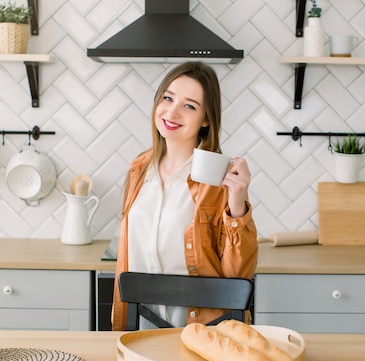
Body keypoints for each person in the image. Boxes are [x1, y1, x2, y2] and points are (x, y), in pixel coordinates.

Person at [111, 61, 258, 331]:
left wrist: (237, 204)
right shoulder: (139, 168)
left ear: (206, 119)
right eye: (168, 98)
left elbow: (238, 276)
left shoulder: (217, 177)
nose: (173, 111)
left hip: (199, 331)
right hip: (141, 330)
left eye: (189, 105)